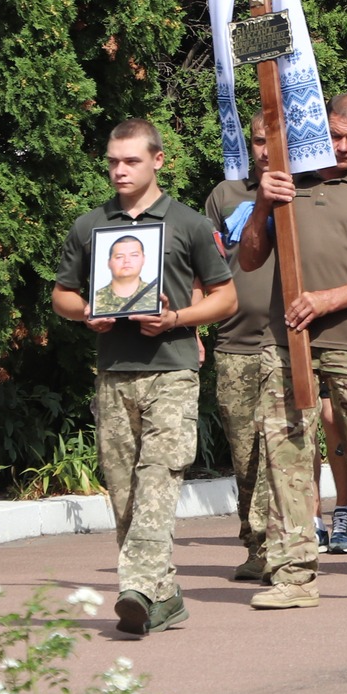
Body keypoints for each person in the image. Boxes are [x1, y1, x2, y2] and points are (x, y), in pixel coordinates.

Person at [52, 118, 236, 634]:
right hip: (113, 374)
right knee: (124, 494)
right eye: (113, 161)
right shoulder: (91, 227)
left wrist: (176, 318)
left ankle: (134, 586)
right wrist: (89, 311)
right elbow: (61, 295)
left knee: (158, 481)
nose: (119, 171)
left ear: (158, 161)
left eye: (131, 161)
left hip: (172, 371)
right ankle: (166, 594)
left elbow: (225, 297)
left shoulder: (188, 224)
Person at [240, 94, 347, 605]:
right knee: (286, 459)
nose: (341, 147)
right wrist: (263, 203)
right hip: (288, 344)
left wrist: (328, 300)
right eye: (333, 136)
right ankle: (294, 575)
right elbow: (250, 259)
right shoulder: (287, 183)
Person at [204, 110, 282, 583]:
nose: (266, 151)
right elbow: (203, 268)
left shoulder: (304, 193)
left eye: (274, 141)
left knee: (282, 448)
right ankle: (256, 547)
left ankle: (286, 544)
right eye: (257, 141)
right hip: (234, 345)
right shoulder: (224, 195)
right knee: (245, 456)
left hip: (285, 343)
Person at [93, 236, 159, 315]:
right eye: (119, 257)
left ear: (143, 259)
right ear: (109, 263)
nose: (127, 261)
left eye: (134, 255)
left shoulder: (158, 295)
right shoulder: (95, 299)